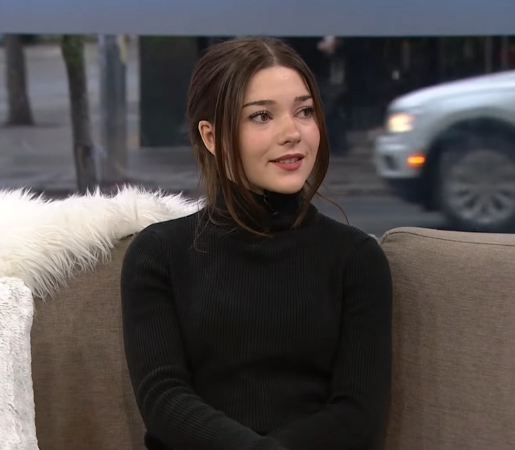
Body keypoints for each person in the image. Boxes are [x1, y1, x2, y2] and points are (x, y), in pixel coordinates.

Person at [120, 36, 393, 450]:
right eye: (262, 116)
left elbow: (358, 414)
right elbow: (164, 400)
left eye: (304, 111)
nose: (292, 133)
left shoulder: (356, 259)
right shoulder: (159, 254)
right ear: (211, 137)